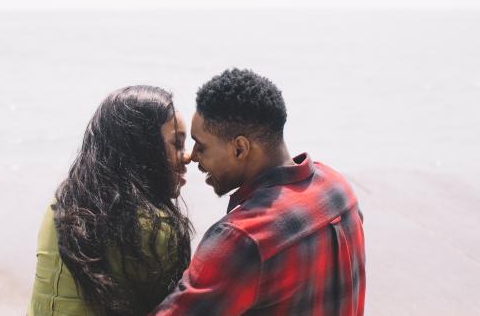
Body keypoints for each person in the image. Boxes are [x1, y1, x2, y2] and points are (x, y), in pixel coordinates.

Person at [152, 69, 366, 315]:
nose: (192, 157)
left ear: (240, 148)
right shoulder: (338, 189)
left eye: (202, 146)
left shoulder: (244, 237)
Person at [28, 86, 193, 316]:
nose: (188, 157)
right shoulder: (154, 228)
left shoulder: (61, 205)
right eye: (177, 143)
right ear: (144, 147)